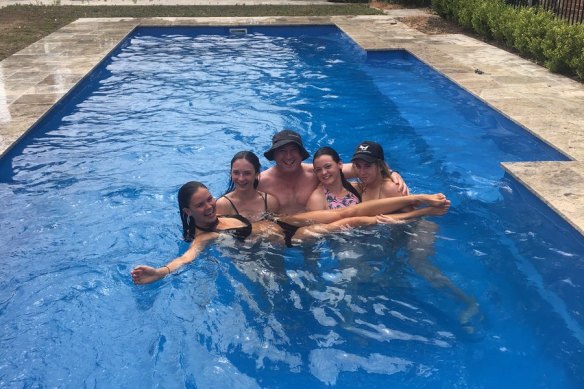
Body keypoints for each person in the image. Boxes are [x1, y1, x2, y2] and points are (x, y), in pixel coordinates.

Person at [130, 181, 450, 285]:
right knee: (351, 223)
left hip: (281, 221)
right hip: (287, 239)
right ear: (188, 212)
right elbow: (186, 258)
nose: (209, 206)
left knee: (345, 211)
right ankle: (422, 213)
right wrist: (159, 272)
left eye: (209, 199)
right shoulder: (204, 237)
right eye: (200, 205)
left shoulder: (225, 211)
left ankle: (416, 198)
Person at [258, 130, 407, 214]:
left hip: (314, 229)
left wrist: (392, 173)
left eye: (293, 151)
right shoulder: (261, 181)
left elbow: (362, 167)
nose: (288, 156)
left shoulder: (314, 172)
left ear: (300, 154)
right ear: (274, 155)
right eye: (282, 151)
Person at [216, 151, 279, 222]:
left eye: (247, 173)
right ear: (231, 173)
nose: (241, 178)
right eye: (236, 173)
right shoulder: (223, 205)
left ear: (256, 175)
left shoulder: (270, 202)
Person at [305, 146, 361, 211]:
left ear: (340, 164)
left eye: (328, 166)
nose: (324, 172)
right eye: (318, 170)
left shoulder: (354, 188)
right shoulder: (317, 199)